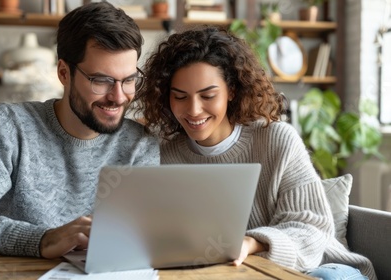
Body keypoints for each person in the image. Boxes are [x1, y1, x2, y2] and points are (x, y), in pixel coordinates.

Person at [0, 2, 160, 259]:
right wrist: (41, 240)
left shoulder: (139, 144)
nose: (118, 96)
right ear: (64, 73)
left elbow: (147, 235)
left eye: (129, 80)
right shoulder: (9, 127)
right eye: (101, 81)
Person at [137, 26, 376, 279]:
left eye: (207, 95)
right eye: (180, 97)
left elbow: (312, 230)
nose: (194, 110)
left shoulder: (277, 140)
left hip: (319, 268)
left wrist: (251, 243)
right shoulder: (163, 154)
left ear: (231, 91)